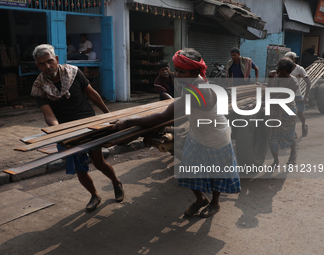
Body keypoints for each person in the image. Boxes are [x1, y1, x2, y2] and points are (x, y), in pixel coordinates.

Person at [112, 48, 241, 218]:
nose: (177, 74)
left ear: (195, 71)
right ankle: (201, 199)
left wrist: (128, 121)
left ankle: (215, 203)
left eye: (182, 71)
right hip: (197, 133)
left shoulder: (199, 89)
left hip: (215, 137)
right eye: (176, 70)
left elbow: (164, 116)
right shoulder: (195, 82)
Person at [31, 44, 124, 212]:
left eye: (50, 61)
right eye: (42, 64)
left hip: (89, 126)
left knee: (99, 162)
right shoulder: (39, 86)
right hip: (67, 132)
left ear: (57, 59)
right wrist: (58, 130)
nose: (47, 66)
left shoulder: (73, 72)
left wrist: (108, 114)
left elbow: (92, 94)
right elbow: (49, 115)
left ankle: (116, 183)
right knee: (79, 168)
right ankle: (95, 195)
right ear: (37, 65)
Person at [267, 57, 298, 167]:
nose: (279, 74)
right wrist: (270, 80)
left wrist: (255, 105)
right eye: (278, 71)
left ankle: (293, 153)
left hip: (287, 111)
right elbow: (269, 92)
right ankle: (276, 161)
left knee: (288, 135)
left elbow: (276, 99)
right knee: (272, 137)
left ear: (289, 72)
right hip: (274, 110)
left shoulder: (293, 83)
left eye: (282, 73)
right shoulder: (274, 76)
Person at [285, 52, 311, 137]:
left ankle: (303, 125)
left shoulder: (299, 69)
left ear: (294, 59)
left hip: (297, 94)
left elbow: (308, 82)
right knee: (289, 115)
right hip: (286, 95)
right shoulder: (284, 68)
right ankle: (293, 132)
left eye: (289, 58)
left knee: (300, 114)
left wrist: (306, 96)